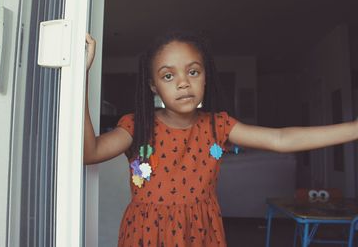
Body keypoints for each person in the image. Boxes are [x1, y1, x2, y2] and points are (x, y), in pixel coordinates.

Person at [83, 32, 358, 247]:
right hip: (147, 234)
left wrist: (354, 128)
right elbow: (90, 152)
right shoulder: (137, 125)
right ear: (154, 86)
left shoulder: (218, 125)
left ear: (205, 78)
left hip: (202, 233)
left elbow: (281, 138)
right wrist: (80, 76)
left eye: (193, 72)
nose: (183, 83)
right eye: (169, 75)